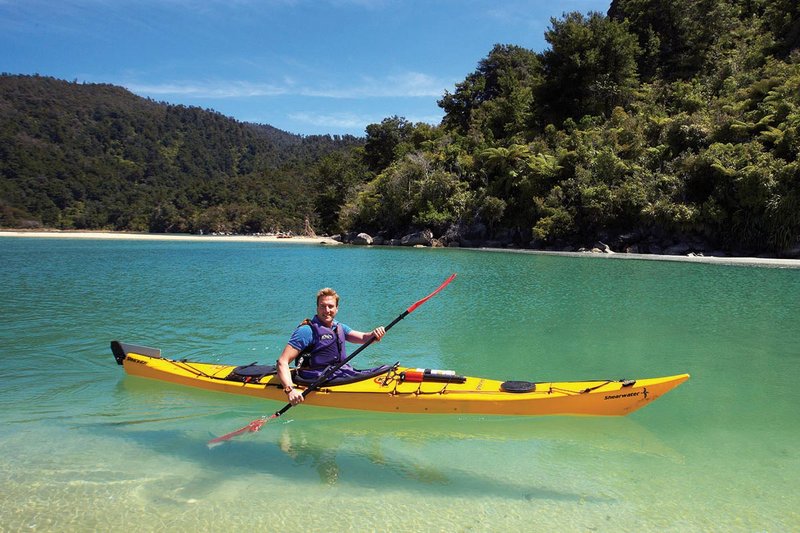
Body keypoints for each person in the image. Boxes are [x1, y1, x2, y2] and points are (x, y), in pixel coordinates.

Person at [277, 287, 385, 405]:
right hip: (316, 378)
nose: (326, 310)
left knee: (384, 369)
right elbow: (282, 361)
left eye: (330, 306)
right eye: (322, 306)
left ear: (337, 309)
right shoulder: (306, 331)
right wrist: (290, 390)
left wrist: (375, 334)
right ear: (317, 308)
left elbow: (364, 338)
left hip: (340, 374)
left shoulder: (339, 327)